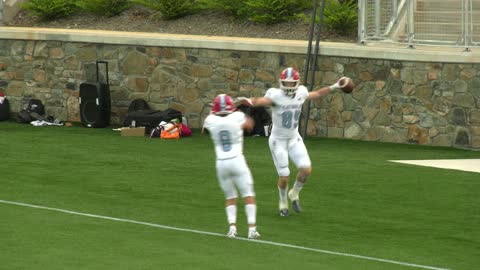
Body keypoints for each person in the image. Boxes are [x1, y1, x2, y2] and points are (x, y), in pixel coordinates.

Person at [240, 67, 352, 217]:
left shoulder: (301, 92)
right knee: (284, 176)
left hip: (293, 138)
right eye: (286, 83)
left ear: (297, 84)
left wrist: (335, 86)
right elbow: (261, 101)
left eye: (292, 83)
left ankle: (294, 193)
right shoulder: (276, 95)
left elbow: (317, 93)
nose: (289, 86)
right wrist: (248, 101)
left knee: (306, 169)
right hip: (278, 140)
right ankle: (283, 202)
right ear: (281, 83)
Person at [203, 94, 261, 239]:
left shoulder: (211, 120)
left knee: (230, 196)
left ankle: (232, 228)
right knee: (248, 194)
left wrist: (213, 114)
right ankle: (252, 229)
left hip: (221, 162)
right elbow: (250, 125)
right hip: (237, 160)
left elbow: (204, 131)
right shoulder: (237, 116)